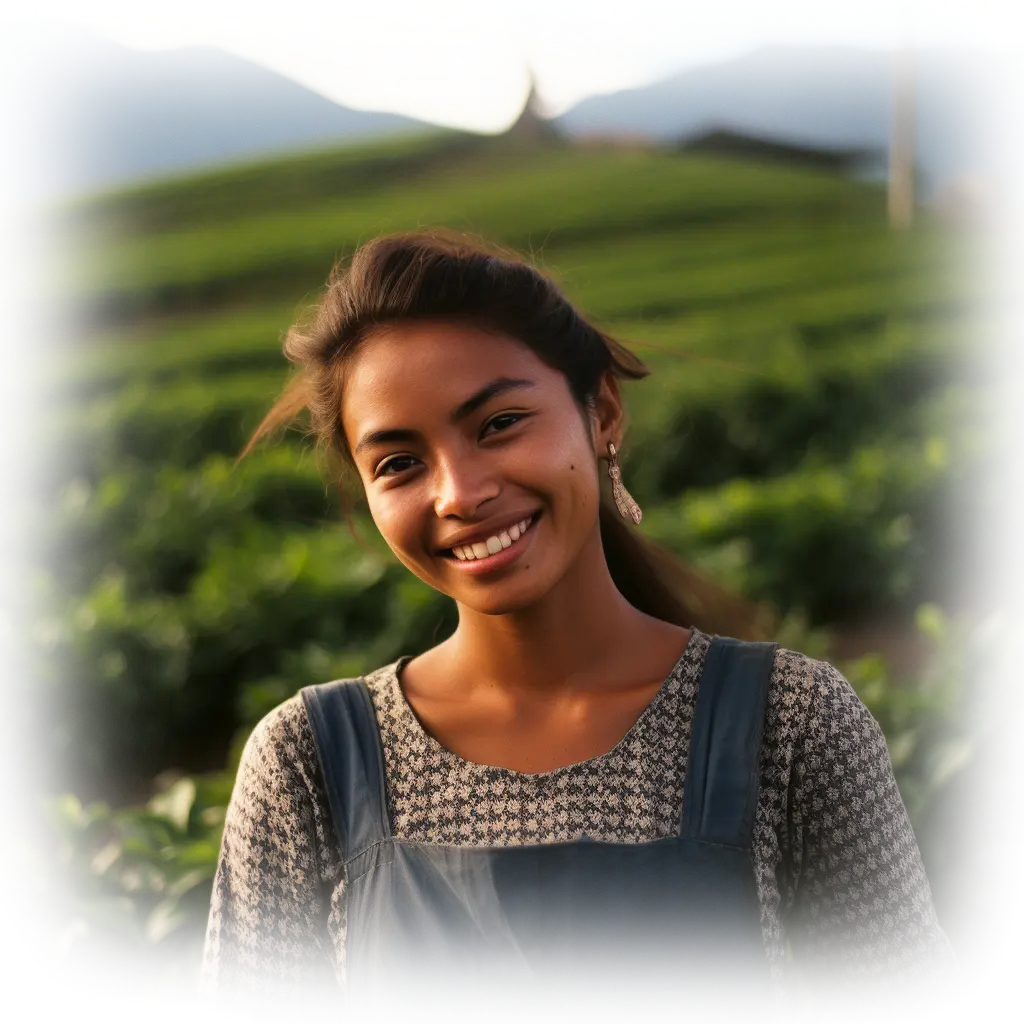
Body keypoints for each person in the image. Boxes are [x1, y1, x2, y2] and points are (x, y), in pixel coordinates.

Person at [196, 228, 963, 1023]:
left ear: (601, 412)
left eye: (498, 424)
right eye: (399, 463)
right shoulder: (306, 764)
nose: (458, 493)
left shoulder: (791, 721)